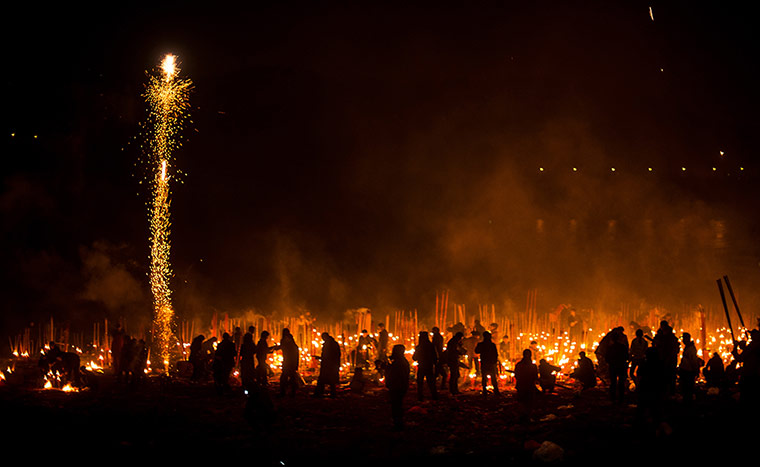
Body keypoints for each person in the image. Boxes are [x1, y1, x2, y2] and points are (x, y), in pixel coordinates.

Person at [386, 344, 410, 431]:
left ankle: (398, 423)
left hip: (397, 386)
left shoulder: (398, 363)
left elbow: (394, 374)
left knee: (396, 404)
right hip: (401, 386)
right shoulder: (402, 361)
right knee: (398, 404)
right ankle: (398, 421)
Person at [652, 320, 680, 395]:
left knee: (670, 376)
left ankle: (670, 391)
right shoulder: (660, 335)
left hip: (669, 359)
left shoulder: (671, 337)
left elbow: (674, 349)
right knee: (663, 376)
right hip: (662, 359)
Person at [605, 327, 629, 404]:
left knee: (613, 383)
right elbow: (626, 356)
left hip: (613, 366)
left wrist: (610, 362)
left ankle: (613, 398)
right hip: (621, 366)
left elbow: (607, 357)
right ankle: (621, 398)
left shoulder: (610, 348)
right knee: (621, 383)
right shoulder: (623, 347)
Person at [514, 349, 539, 420]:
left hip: (522, 386)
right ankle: (526, 415)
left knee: (523, 401)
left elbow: (516, 375)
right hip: (528, 386)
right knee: (527, 401)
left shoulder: (519, 365)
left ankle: (524, 415)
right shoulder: (533, 366)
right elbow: (535, 377)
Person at [412, 331, 438, 401]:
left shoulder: (419, 347)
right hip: (429, 366)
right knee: (431, 382)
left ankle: (420, 396)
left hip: (422, 366)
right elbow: (435, 357)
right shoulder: (431, 346)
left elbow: (414, 358)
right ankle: (434, 395)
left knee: (420, 382)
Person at [314, 332, 341, 398]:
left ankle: (320, 393)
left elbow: (328, 355)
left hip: (328, 365)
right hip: (331, 364)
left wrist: (321, 358)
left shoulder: (329, 344)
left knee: (325, 379)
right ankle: (330, 393)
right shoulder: (333, 343)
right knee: (330, 380)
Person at [678, 332, 702, 405]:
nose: (683, 341)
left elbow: (693, 361)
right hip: (685, 371)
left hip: (688, 372)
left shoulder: (691, 349)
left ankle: (688, 403)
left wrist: (696, 370)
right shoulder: (688, 347)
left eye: (684, 339)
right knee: (685, 388)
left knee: (688, 388)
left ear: (687, 339)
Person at [279, 328, 300, 397]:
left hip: (290, 362)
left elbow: (294, 352)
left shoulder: (290, 343)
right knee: (288, 377)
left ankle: (289, 391)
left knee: (287, 377)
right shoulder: (287, 342)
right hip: (288, 361)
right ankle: (287, 391)